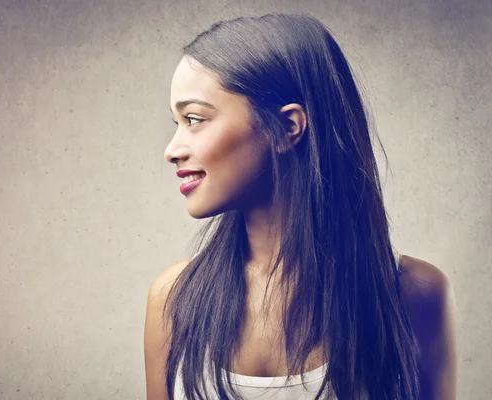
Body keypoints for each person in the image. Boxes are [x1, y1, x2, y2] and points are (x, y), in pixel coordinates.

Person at [145, 13, 458, 400]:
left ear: (288, 128)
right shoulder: (174, 299)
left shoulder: (415, 294)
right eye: (176, 122)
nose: (171, 150)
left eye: (194, 119)